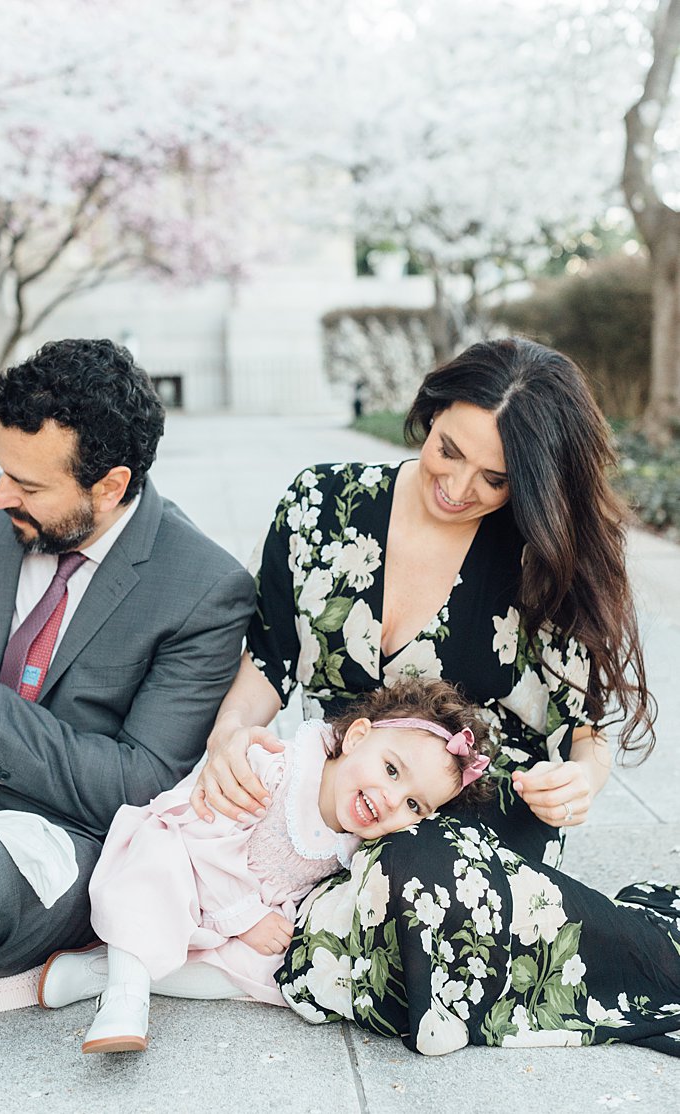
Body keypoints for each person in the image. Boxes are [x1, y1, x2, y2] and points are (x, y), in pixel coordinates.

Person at [191, 337, 680, 1055]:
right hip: (340, 805)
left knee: (405, 884)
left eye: (496, 479)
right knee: (260, 881)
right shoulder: (320, 505)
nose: (458, 487)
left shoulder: (539, 551)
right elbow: (268, 656)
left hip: (473, 821)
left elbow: (585, 729)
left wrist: (581, 780)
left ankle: (648, 961)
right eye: (448, 449)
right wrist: (228, 735)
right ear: (429, 410)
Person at [0, 338, 256, 984]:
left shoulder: (204, 589)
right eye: (0, 468)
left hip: (61, 840)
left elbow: (139, 785)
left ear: (110, 487)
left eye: (26, 484)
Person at [43, 678, 494, 1054]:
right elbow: (204, 836)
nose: (391, 799)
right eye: (392, 770)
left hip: (235, 916)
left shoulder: (359, 842)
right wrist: (246, 916)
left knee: (274, 970)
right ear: (357, 737)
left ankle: (106, 973)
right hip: (191, 865)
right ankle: (123, 1000)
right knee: (156, 865)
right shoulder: (280, 768)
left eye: (414, 804)